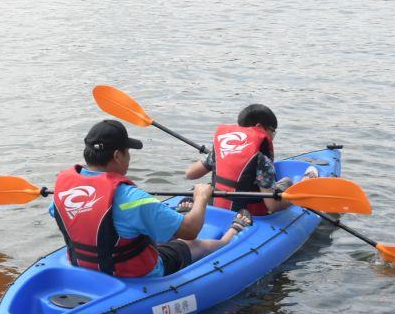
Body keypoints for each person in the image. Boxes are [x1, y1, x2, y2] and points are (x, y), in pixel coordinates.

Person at [49, 120, 251, 279]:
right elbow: (191, 231)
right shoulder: (132, 199)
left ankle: (170, 220)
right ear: (118, 155)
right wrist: (201, 196)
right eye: (128, 152)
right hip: (137, 273)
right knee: (191, 244)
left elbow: (70, 214)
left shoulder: (62, 189)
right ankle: (230, 237)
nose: (129, 157)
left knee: (135, 228)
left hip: (85, 266)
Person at [184, 104, 316, 216]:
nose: (273, 136)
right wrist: (295, 199)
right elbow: (272, 206)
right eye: (272, 131)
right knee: (287, 181)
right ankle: (306, 180)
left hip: (218, 209)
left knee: (211, 184)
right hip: (247, 214)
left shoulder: (221, 149)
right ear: (259, 127)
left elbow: (190, 174)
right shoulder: (262, 160)